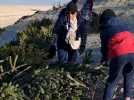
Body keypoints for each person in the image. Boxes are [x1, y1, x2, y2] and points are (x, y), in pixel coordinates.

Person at [100, 9, 134, 100]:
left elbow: (104, 48)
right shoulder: (124, 24)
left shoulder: (105, 28)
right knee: (128, 75)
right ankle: (127, 98)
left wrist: (104, 59)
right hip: (133, 52)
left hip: (120, 53)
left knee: (112, 81)